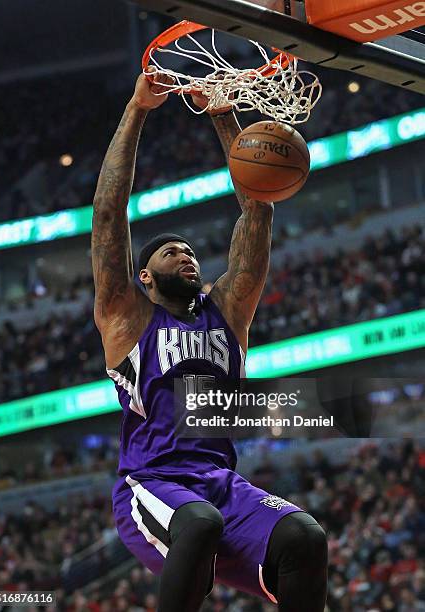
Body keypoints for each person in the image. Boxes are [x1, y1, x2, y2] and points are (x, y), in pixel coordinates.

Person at [91, 70, 328, 612]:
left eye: (189, 249)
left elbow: (257, 209)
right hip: (151, 485)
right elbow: (108, 215)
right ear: (143, 276)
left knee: (305, 536)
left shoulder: (227, 311)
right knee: (199, 523)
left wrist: (223, 112)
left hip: (221, 483)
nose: (185, 253)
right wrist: (137, 110)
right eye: (168, 251)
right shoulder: (126, 316)